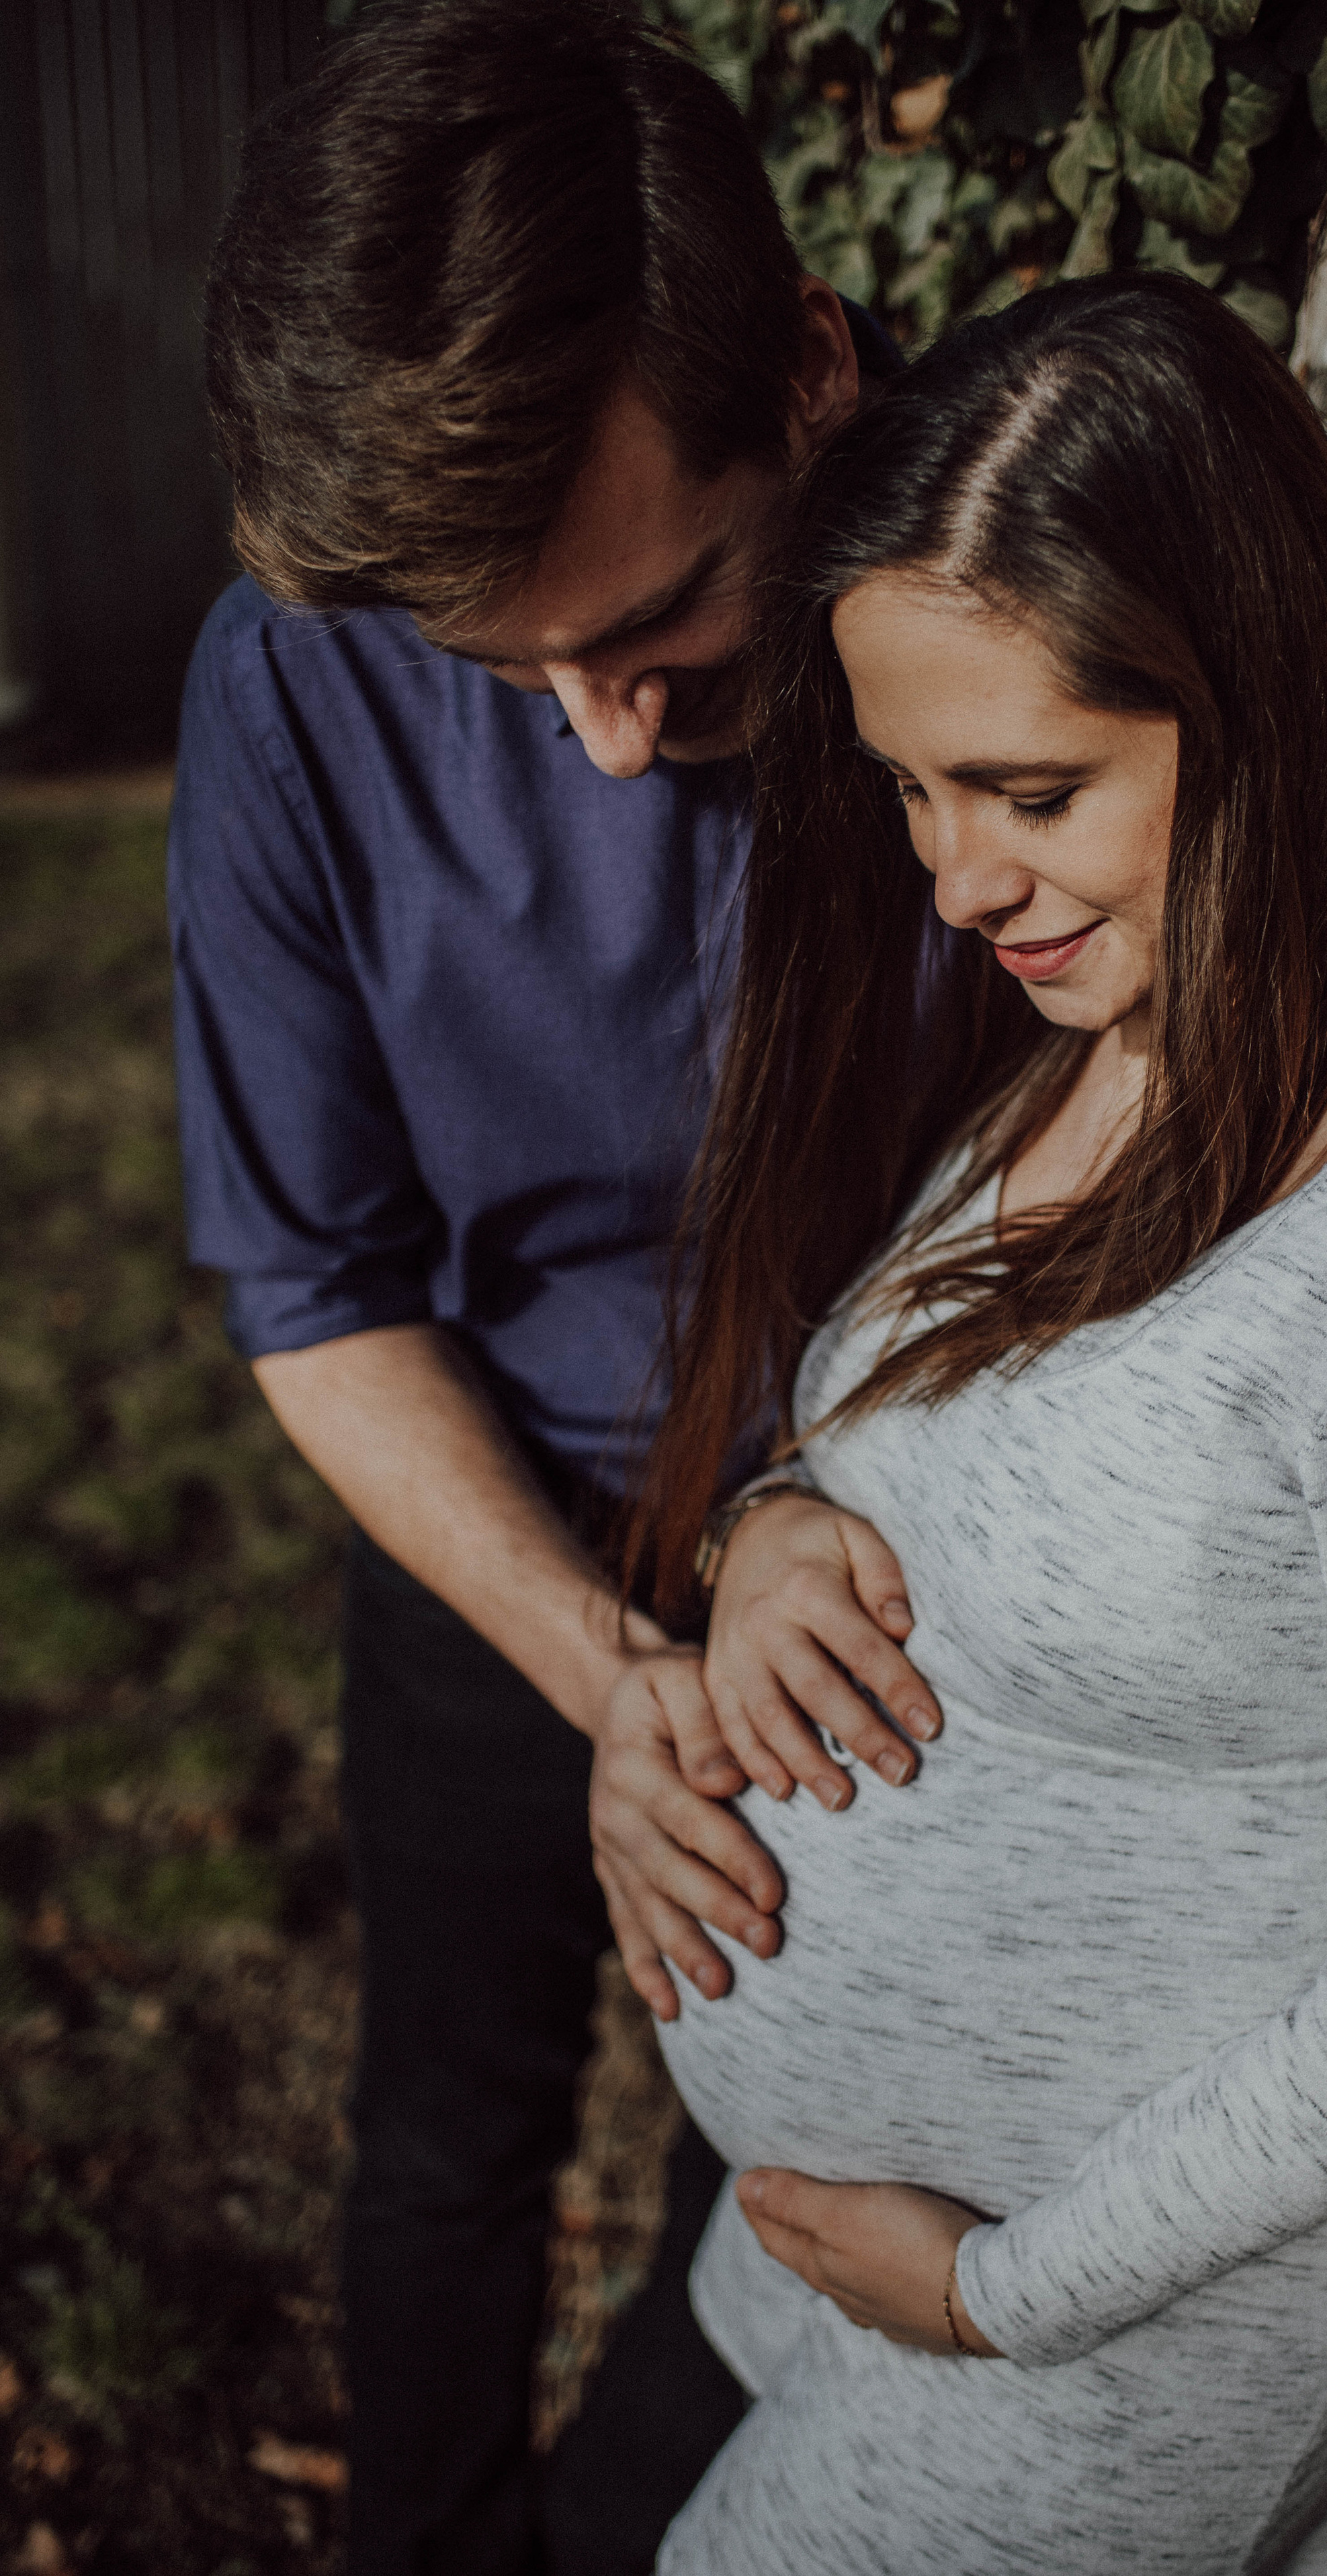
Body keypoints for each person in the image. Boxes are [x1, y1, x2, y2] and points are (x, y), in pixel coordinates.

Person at [632, 273, 1327, 2573]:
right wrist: (778, 1521)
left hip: (1107, 2334)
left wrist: (1005, 2292)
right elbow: (941, 1439)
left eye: (1029, 790)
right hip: (846, 2236)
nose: (955, 877)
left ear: (1286, 689)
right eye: (914, 788)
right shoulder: (1101, 1048)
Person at [171, 5, 912, 2568]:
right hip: (498, 1538)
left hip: (895, 1560)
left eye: (673, 621)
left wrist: (817, 1513)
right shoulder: (296, 677)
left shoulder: (1009, 574)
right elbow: (312, 1289)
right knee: (449, 2134)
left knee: (818, 2150)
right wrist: (604, 1672)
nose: (604, 743)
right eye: (516, 678)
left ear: (815, 377)